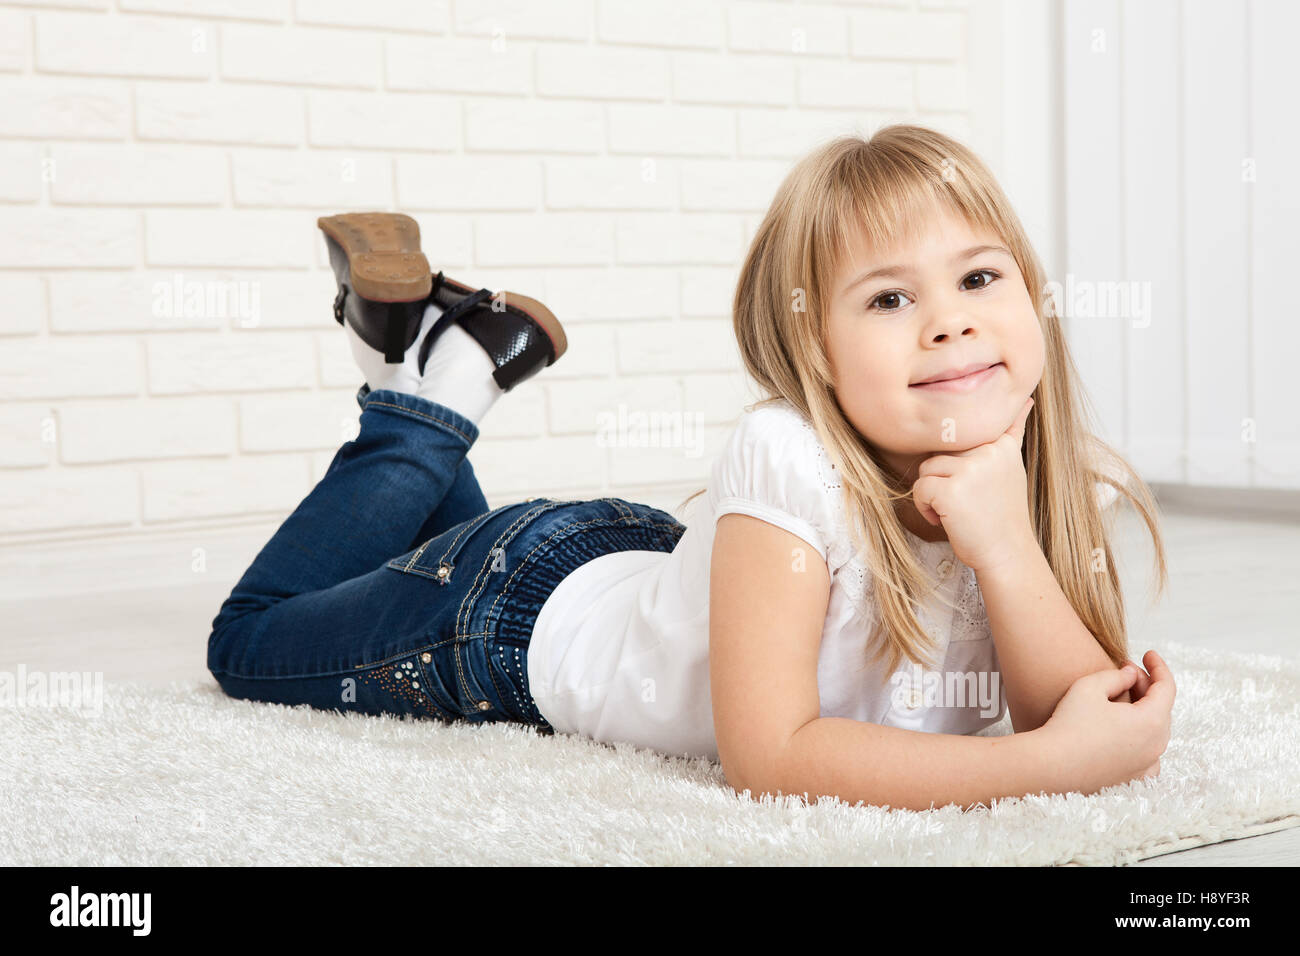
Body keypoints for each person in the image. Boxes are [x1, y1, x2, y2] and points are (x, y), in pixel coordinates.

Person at [208, 125, 1176, 812]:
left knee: (402, 553)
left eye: (977, 277)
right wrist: (1041, 768)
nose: (951, 319)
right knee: (248, 644)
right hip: (501, 620)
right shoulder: (786, 450)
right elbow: (775, 753)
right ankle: (438, 390)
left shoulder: (1030, 455)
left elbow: (1084, 720)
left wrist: (1006, 546)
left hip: (654, 562)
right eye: (887, 298)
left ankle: (411, 349)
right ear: (815, 356)